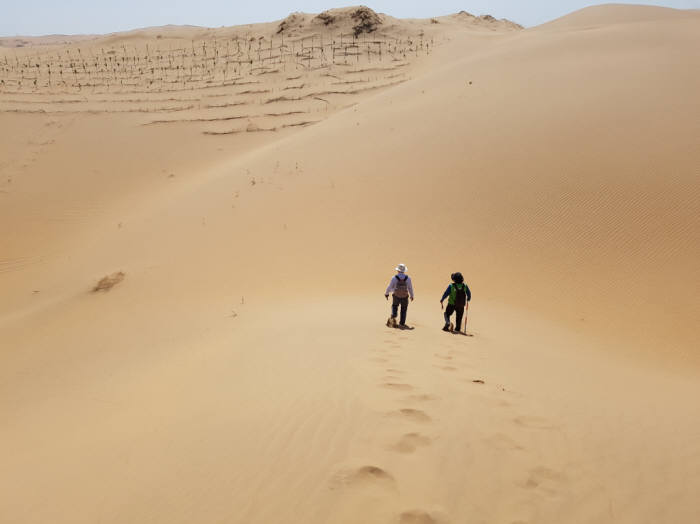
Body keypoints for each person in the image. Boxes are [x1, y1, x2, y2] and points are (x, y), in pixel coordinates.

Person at [385, 263, 414, 328]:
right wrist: (412, 296)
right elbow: (410, 288)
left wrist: (386, 293)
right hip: (405, 296)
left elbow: (389, 287)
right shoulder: (408, 278)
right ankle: (402, 323)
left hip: (396, 296)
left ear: (398, 270)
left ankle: (394, 315)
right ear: (404, 271)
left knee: (394, 306)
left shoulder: (394, 278)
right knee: (404, 309)